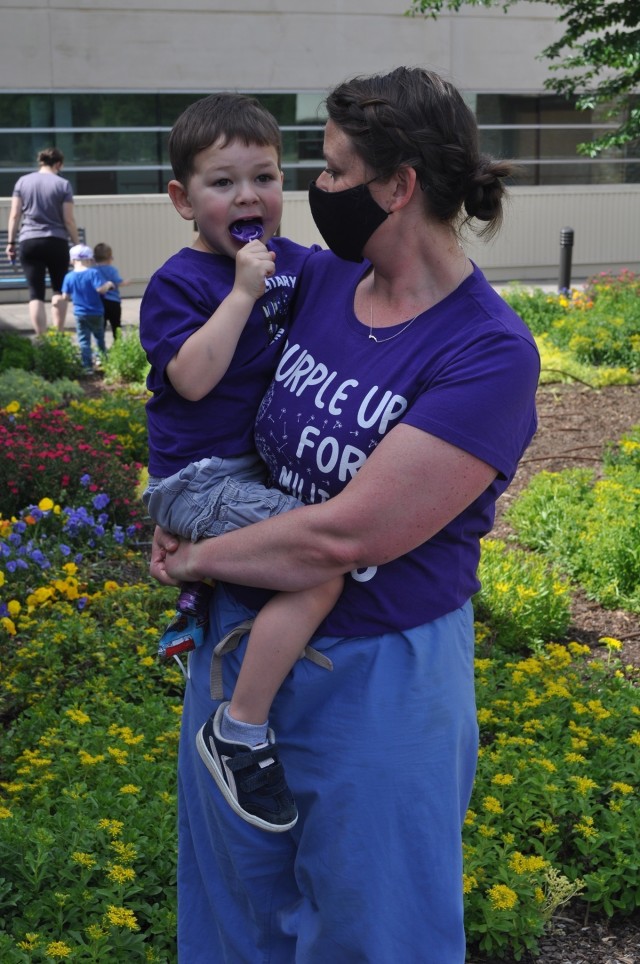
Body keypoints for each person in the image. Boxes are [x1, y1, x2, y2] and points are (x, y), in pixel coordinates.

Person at [150, 66, 541, 963]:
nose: (312, 192)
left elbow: (349, 534)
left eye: (328, 171)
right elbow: (205, 401)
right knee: (233, 919)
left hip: (378, 679)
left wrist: (201, 557)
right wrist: (184, 504)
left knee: (375, 932)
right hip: (238, 647)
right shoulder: (321, 283)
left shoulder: (486, 352)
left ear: (396, 186)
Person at [139, 92, 341, 833]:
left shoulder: (297, 262)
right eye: (222, 182)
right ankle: (240, 728)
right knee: (320, 565)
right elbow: (191, 379)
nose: (247, 195)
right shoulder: (179, 285)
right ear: (182, 200)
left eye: (263, 176)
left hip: (250, 474)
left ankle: (208, 583)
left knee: (313, 547)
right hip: (201, 479)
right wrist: (240, 293)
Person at [5, 147, 80, 336]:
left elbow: (14, 215)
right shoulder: (63, 184)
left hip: (29, 241)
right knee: (58, 289)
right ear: (58, 164)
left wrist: (11, 243)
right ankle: (59, 334)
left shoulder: (23, 182)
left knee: (35, 293)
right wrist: (77, 244)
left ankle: (42, 339)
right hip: (56, 241)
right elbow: (68, 220)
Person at [60, 243, 111, 372]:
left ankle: (87, 366)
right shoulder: (93, 273)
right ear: (89, 259)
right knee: (99, 337)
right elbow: (100, 289)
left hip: (79, 313)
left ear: (72, 260)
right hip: (96, 312)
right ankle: (102, 360)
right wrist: (109, 284)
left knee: (83, 340)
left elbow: (65, 297)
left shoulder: (69, 277)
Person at [93, 242, 131, 340]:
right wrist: (126, 282)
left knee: (101, 326)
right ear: (109, 258)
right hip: (114, 302)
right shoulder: (112, 270)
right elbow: (118, 282)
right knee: (116, 325)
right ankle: (118, 345)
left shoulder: (93, 270)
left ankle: (101, 348)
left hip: (100, 302)